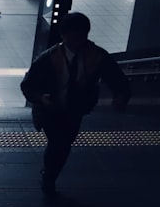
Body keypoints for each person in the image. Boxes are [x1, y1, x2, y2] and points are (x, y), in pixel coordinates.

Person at [20, 12, 131, 197]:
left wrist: (121, 96)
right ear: (64, 36)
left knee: (64, 144)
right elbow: (28, 85)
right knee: (59, 144)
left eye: (82, 36)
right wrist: (42, 98)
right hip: (51, 110)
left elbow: (116, 77)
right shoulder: (49, 58)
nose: (79, 41)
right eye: (74, 36)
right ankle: (49, 178)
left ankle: (50, 174)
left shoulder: (96, 56)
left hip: (75, 109)